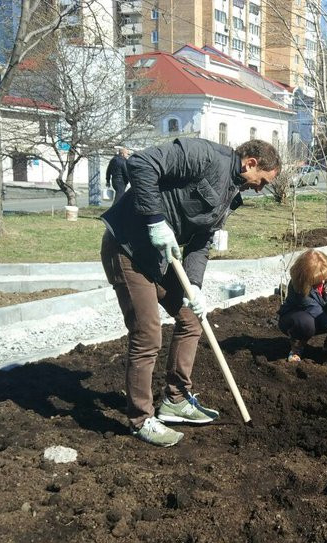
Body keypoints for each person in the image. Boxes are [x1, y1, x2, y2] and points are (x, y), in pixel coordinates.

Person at [100, 138, 281, 446]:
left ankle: (175, 399)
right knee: (147, 334)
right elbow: (140, 164)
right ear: (251, 163)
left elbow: (201, 242)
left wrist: (194, 286)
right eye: (262, 181)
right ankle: (141, 419)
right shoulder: (203, 155)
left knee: (192, 318)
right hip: (128, 247)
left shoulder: (230, 191)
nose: (260, 188)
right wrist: (156, 220)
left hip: (161, 256)